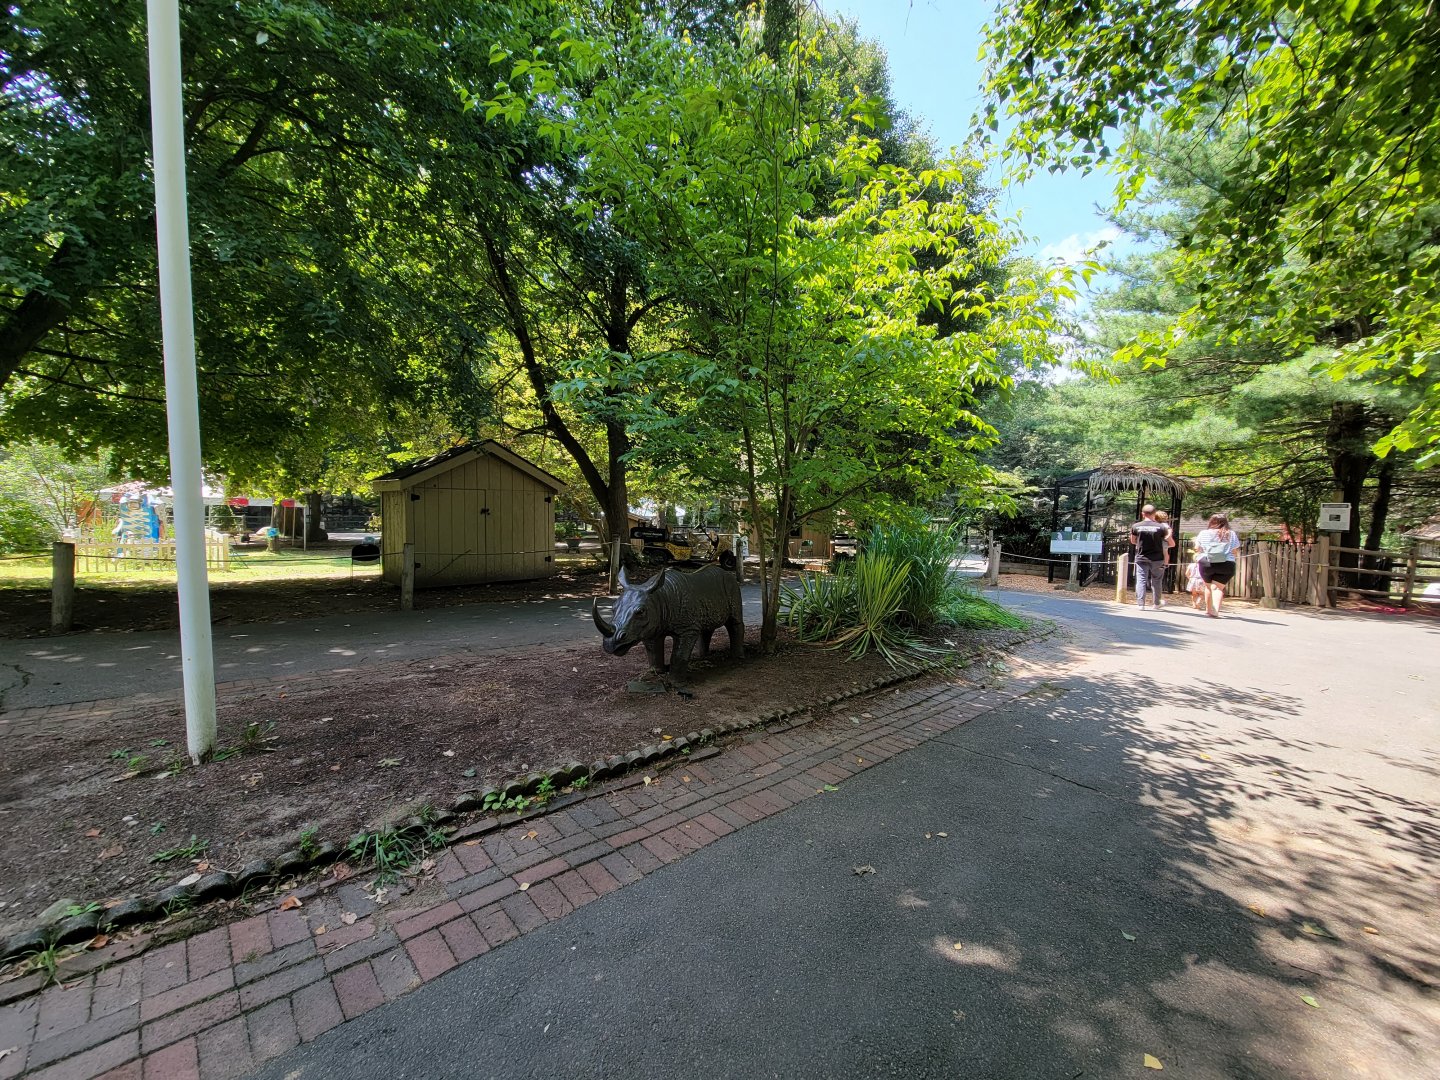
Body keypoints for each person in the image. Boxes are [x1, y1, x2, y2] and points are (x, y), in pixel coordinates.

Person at [1194, 512, 1242, 617]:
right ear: (1225, 522)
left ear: (1211, 522)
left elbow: (1197, 548)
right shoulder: (1231, 533)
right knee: (1217, 588)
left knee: (1208, 586)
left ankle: (1208, 609)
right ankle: (1215, 610)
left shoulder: (1203, 533)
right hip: (1226, 563)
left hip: (1207, 562)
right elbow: (1235, 551)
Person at [1129, 504, 1171, 610]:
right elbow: (1167, 540)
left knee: (1141, 579)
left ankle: (1140, 604)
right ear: (1154, 514)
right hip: (1158, 557)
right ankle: (1156, 603)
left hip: (1142, 556)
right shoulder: (1161, 527)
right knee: (1157, 580)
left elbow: (1133, 541)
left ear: (1142, 514)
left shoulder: (1136, 526)